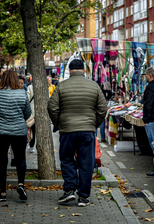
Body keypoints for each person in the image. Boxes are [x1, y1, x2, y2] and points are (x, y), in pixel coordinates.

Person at [48, 56, 107, 206]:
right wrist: (94, 123)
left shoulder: (61, 86)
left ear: (70, 70)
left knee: (67, 159)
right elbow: (102, 108)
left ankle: (69, 191)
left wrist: (59, 123)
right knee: (86, 163)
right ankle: (83, 197)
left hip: (67, 130)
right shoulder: (93, 86)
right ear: (83, 70)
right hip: (87, 130)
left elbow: (52, 107)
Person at [0, 70, 31, 202]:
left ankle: (3, 192)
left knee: (2, 160)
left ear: (3, 79)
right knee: (21, 159)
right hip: (19, 131)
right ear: (15, 80)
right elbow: (28, 113)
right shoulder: (22, 93)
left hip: (0, 131)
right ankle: (21, 184)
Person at [26, 83, 36, 153]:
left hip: (32, 113)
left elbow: (27, 98)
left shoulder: (30, 87)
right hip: (41, 112)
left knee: (32, 130)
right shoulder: (44, 86)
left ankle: (31, 145)